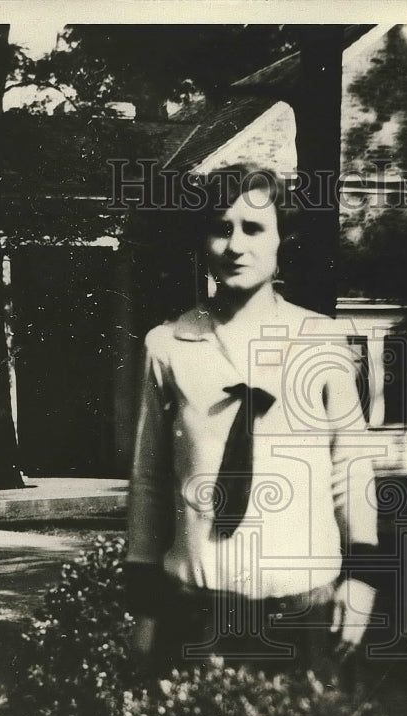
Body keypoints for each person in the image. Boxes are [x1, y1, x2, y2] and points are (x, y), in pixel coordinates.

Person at [125, 164, 378, 682]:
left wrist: (363, 580)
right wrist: (145, 602)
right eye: (221, 228)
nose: (236, 245)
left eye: (254, 227)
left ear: (283, 237)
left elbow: (350, 468)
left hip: (302, 606)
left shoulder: (321, 341)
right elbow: (148, 480)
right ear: (202, 241)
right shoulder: (168, 345)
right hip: (197, 606)